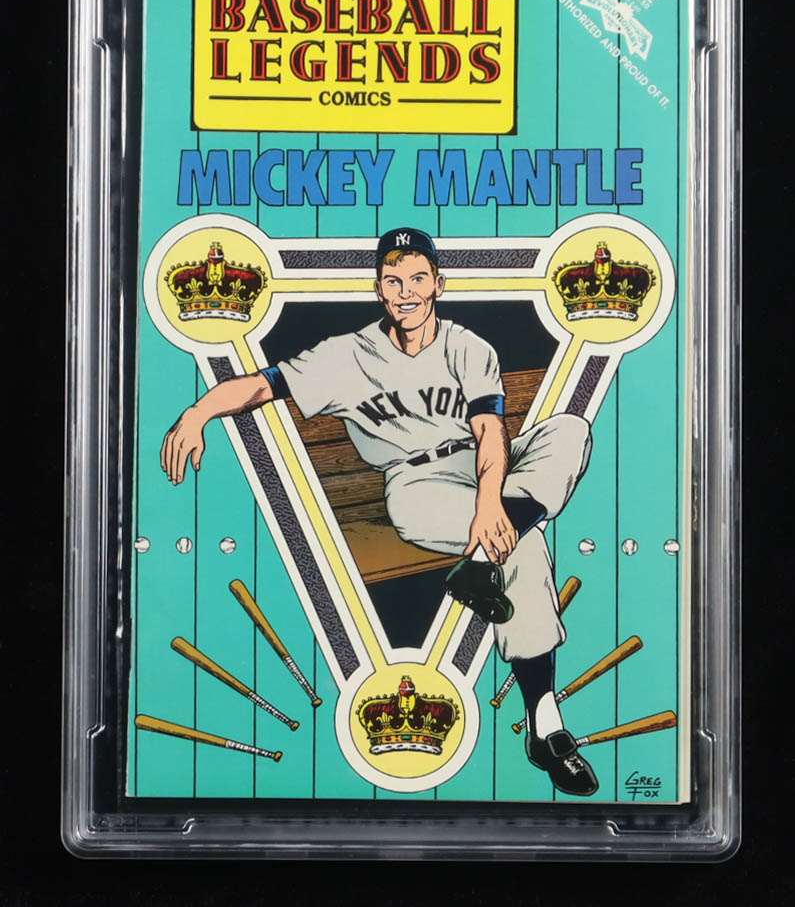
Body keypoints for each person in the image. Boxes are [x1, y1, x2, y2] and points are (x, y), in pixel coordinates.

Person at [161, 227, 597, 795]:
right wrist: (197, 413)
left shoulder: (468, 346)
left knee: (569, 430)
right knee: (526, 542)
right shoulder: (346, 355)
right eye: (393, 281)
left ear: (438, 284)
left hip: (488, 468)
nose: (406, 292)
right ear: (378, 289)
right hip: (418, 482)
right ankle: (546, 724)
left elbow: (490, 431)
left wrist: (491, 503)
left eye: (417, 278)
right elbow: (261, 387)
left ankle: (479, 562)